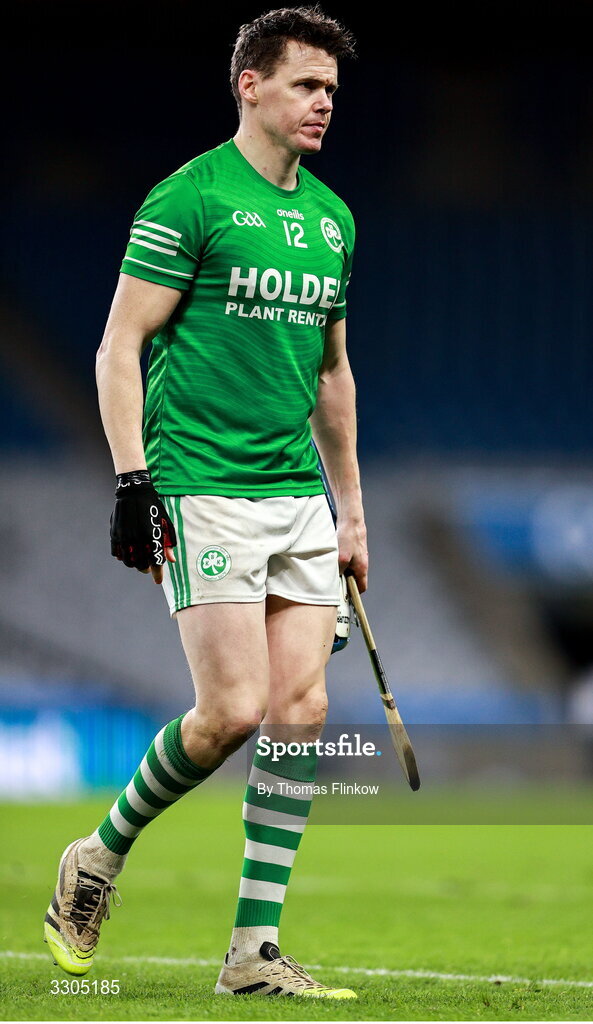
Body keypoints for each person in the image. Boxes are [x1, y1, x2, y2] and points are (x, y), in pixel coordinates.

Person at [44, 5, 368, 999]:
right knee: (230, 712)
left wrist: (350, 510)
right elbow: (117, 349)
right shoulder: (188, 198)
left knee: (302, 708)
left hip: (294, 495)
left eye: (330, 89)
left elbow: (330, 373)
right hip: (202, 483)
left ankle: (251, 953)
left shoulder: (332, 219)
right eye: (305, 84)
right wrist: (133, 478)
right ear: (250, 84)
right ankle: (96, 855)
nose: (322, 103)